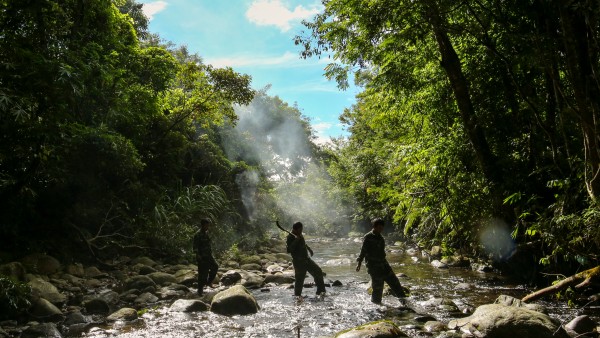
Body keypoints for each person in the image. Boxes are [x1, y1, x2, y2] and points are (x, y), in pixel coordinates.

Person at [356, 218, 407, 304]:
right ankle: (377, 307)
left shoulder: (381, 238)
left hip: (384, 265)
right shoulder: (368, 237)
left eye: (382, 228)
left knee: (395, 283)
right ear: (374, 227)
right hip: (373, 267)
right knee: (378, 288)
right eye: (379, 227)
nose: (381, 229)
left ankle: (404, 302)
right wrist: (359, 263)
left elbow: (382, 253)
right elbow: (363, 251)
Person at [286, 221, 326, 298]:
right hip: (298, 262)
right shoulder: (290, 237)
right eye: (300, 230)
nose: (301, 231)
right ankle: (297, 297)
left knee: (318, 271)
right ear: (295, 229)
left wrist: (309, 249)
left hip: (306, 259)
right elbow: (289, 250)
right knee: (299, 280)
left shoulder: (299, 234)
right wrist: (296, 240)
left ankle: (321, 291)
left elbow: (303, 243)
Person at [193, 218, 219, 295]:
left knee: (215, 266)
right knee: (202, 274)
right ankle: (200, 291)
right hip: (202, 257)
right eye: (206, 225)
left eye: (208, 225)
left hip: (209, 256)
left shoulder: (206, 233)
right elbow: (195, 247)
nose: (208, 227)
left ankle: (209, 282)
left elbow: (208, 244)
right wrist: (198, 256)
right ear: (203, 225)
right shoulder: (197, 234)